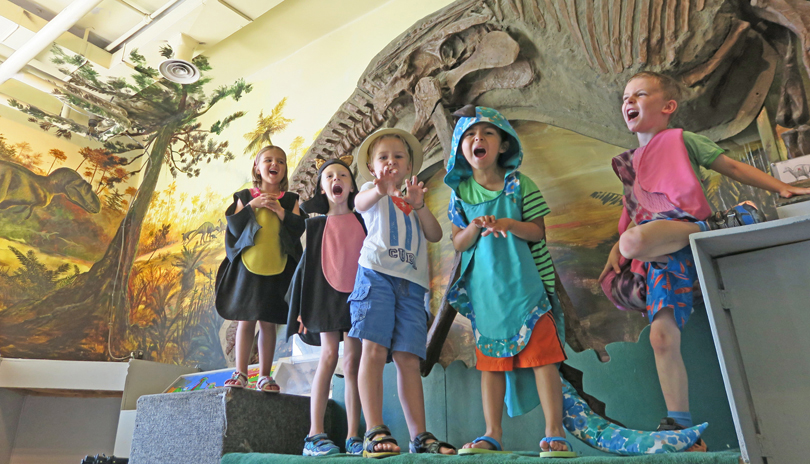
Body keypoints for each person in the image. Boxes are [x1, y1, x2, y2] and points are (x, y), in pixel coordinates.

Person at [598, 72, 810, 447]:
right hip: (659, 253)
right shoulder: (628, 163)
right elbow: (636, 208)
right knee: (661, 338)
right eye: (625, 97)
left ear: (668, 107)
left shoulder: (681, 140)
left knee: (632, 242)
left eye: (640, 94)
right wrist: (616, 248)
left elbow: (731, 167)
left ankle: (709, 227)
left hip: (678, 227)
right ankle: (681, 425)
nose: (629, 101)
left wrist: (781, 186)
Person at [444, 105, 575, 459]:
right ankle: (492, 434)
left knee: (544, 360)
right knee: (490, 366)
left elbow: (538, 232)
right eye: (470, 135)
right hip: (486, 299)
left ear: (503, 145)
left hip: (526, 291)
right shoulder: (459, 194)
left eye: (487, 133)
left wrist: (506, 224)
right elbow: (458, 242)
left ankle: (554, 432)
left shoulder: (521, 184)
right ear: (461, 150)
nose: (478, 139)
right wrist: (474, 226)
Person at [349, 128, 455, 458]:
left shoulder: (413, 199)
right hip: (376, 275)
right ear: (371, 166)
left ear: (409, 166)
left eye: (398, 157)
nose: (391, 162)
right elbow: (358, 203)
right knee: (375, 350)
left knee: (408, 359)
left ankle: (419, 435)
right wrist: (380, 188)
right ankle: (374, 429)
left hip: (412, 286)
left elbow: (435, 234)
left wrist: (420, 205)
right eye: (383, 157)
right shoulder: (371, 191)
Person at [285, 157, 366, 456]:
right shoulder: (315, 225)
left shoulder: (363, 219)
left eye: (343, 174)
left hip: (359, 294)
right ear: (322, 187)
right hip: (326, 296)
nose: (337, 179)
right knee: (329, 355)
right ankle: (314, 434)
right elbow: (307, 270)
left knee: (354, 360)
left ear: (352, 185)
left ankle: (355, 435)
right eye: (330, 175)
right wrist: (303, 308)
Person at [215, 145, 304, 393]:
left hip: (277, 268)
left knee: (268, 323)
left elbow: (297, 229)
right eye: (268, 160)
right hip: (248, 268)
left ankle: (264, 375)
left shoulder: (290, 200)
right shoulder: (244, 196)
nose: (274, 164)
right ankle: (240, 372)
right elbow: (234, 227)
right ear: (257, 166)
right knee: (246, 320)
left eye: (280, 161)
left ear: (284, 168)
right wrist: (253, 205)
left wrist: (279, 211)